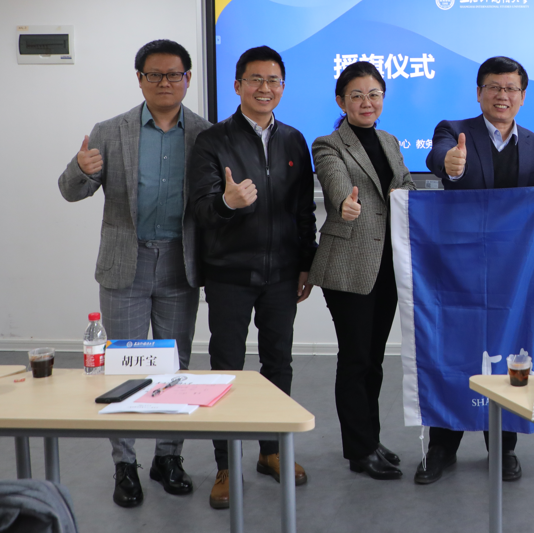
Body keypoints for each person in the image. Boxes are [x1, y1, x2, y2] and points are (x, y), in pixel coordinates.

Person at [58, 39, 210, 508]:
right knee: (121, 367)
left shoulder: (205, 134)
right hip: (126, 262)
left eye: (174, 74)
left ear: (188, 79)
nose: (165, 82)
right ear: (140, 79)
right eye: (154, 74)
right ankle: (125, 464)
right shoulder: (110, 131)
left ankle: (169, 457)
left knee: (175, 367)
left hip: (180, 264)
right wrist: (81, 169)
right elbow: (70, 190)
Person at [187, 46, 318, 510]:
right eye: (256, 80)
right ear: (238, 85)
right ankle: (226, 465)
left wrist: (306, 262)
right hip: (229, 273)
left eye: (273, 80)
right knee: (226, 368)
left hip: (281, 273)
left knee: (278, 363)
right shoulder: (212, 140)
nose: (265, 89)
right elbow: (201, 210)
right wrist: (228, 203)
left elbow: (304, 210)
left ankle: (271, 450)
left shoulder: (294, 140)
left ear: (283, 87)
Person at [419, 55, 534, 484]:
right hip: (458, 270)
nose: (502, 95)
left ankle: (503, 446)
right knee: (453, 351)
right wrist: (451, 163)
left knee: (509, 352)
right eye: (494, 87)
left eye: (511, 88)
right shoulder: (453, 129)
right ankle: (442, 446)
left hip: (513, 275)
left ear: (523, 96)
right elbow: (440, 157)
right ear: (479, 92)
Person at [309, 61, 416, 481]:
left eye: (374, 94)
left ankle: (370, 440)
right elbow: (337, 184)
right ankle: (358, 451)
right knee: (355, 359)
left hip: (388, 264)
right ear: (341, 101)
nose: (366, 102)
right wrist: (344, 204)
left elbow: (405, 184)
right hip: (348, 264)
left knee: (373, 360)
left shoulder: (389, 141)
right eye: (356, 95)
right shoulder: (328, 144)